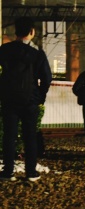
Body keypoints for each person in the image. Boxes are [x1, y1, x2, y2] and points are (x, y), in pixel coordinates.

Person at [0, 16, 52, 182]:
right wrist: (40, 96)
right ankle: (31, 172)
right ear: (31, 32)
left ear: (16, 31)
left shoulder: (4, 50)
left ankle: (8, 172)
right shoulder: (37, 53)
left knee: (9, 135)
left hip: (8, 99)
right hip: (30, 100)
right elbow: (47, 78)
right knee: (30, 136)